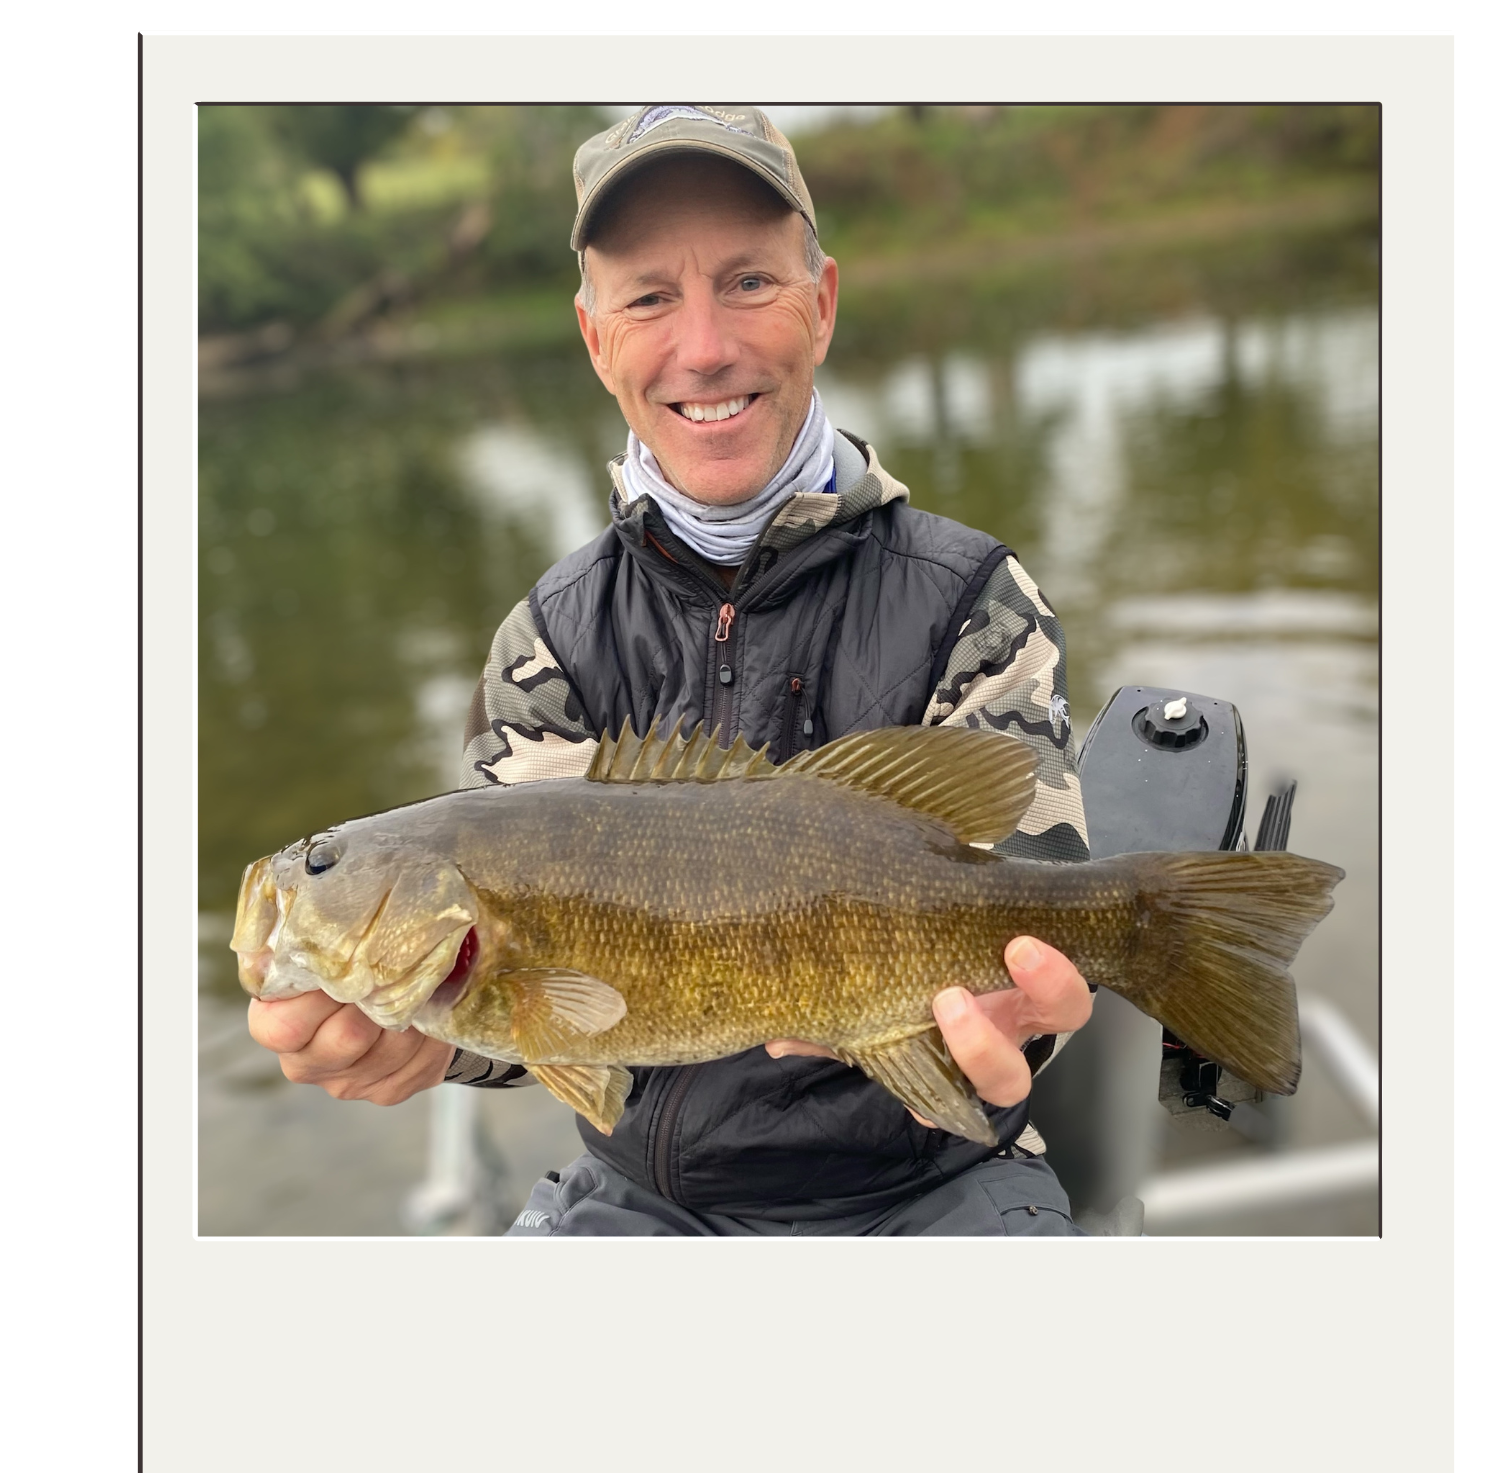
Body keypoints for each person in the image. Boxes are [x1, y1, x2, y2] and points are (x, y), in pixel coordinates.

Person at [248, 105, 1098, 1235]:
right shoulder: (546, 645)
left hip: (934, 1179)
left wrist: (1028, 1010)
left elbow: (1033, 895)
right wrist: (428, 1039)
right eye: (648, 296)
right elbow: (546, 1023)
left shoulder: (971, 601)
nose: (703, 346)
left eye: (748, 281)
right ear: (596, 339)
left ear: (823, 303)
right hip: (643, 1202)